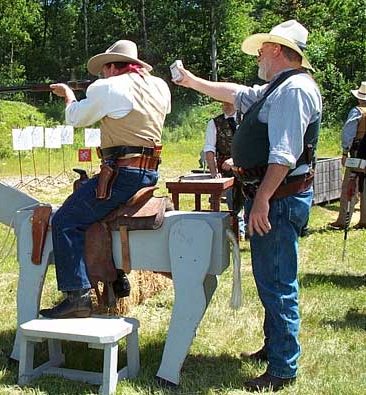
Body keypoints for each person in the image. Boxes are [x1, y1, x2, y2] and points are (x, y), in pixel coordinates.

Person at [173, 20, 321, 392]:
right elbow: (238, 93)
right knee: (270, 277)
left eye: (262, 48)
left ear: (275, 50)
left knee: (277, 282)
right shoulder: (279, 88)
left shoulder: (294, 90)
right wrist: (191, 81)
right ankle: (276, 348)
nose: (258, 54)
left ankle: (283, 368)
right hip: (274, 196)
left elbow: (284, 155)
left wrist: (263, 201)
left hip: (278, 198)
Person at [39, 40, 171, 319]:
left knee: (65, 220)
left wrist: (68, 96)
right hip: (148, 172)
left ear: (112, 66)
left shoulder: (109, 87)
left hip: (123, 174)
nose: (102, 75)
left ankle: (77, 295)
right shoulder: (159, 86)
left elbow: (75, 118)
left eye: (104, 69)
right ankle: (115, 275)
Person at [203, 101, 245, 239]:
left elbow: (251, 144)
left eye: (229, 103)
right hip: (226, 170)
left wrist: (236, 160)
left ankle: (249, 228)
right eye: (224, 103)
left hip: (248, 167)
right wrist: (214, 173)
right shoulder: (214, 123)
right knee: (232, 200)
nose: (226, 106)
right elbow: (209, 149)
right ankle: (236, 228)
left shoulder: (246, 119)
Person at [328, 81, 366, 230]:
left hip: (358, 152)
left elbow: (348, 133)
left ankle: (343, 220)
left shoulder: (357, 111)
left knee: (349, 185)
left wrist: (345, 151)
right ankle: (364, 219)